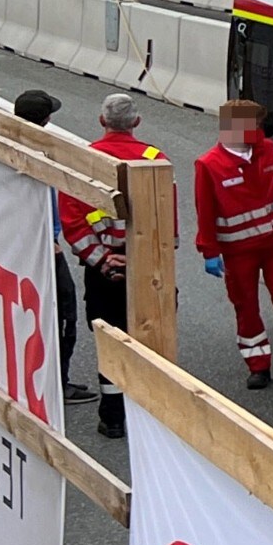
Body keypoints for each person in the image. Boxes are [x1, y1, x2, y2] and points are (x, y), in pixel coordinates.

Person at [58, 94, 172, 439]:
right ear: (136, 122)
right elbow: (167, 223)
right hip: (152, 269)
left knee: (111, 342)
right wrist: (146, 260)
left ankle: (113, 419)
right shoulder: (157, 160)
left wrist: (104, 261)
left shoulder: (85, 161)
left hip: (104, 273)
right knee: (153, 343)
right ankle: (155, 416)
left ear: (101, 120)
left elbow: (73, 224)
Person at [195, 100, 273, 391]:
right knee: (246, 307)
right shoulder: (208, 165)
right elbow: (205, 212)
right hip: (239, 249)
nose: (259, 132)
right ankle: (258, 367)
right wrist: (209, 252)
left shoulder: (267, 150)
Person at [13, 90, 97, 405]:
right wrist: (50, 238)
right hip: (44, 245)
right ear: (46, 119)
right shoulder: (37, 151)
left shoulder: (9, 141)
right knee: (64, 311)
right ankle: (57, 382)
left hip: (26, 241)